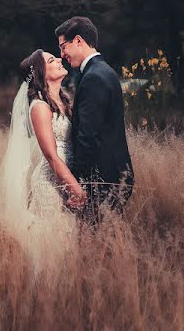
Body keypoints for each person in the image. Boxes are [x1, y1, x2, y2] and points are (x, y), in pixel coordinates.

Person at [0, 49, 83, 269]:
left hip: (67, 179)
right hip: (51, 184)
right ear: (42, 73)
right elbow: (50, 155)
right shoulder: (39, 107)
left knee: (68, 249)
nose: (60, 59)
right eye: (52, 60)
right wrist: (73, 187)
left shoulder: (64, 101)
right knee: (51, 253)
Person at [55, 16, 134, 223]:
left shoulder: (94, 77)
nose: (62, 55)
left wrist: (76, 183)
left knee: (93, 242)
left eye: (63, 47)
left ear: (78, 41)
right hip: (114, 174)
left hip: (102, 179)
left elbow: (87, 136)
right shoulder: (104, 71)